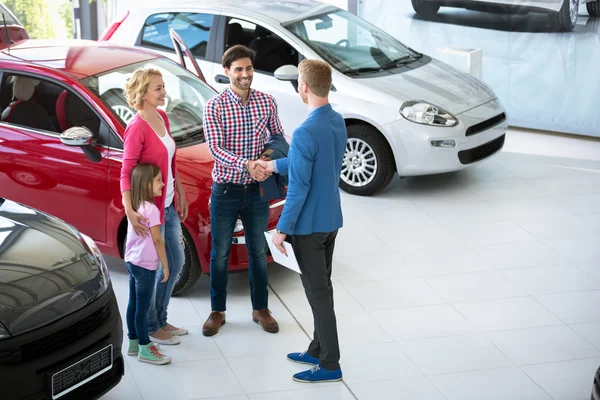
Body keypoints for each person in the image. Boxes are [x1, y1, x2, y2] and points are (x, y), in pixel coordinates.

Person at [259, 59, 346, 383]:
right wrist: (273, 166)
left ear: (303, 87)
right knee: (323, 288)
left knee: (317, 295)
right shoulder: (335, 120)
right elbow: (314, 162)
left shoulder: (307, 130)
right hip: (331, 219)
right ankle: (316, 348)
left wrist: (281, 230)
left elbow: (299, 188)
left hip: (309, 227)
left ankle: (330, 363)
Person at [201, 45, 284, 337]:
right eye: (238, 69)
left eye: (248, 68)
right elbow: (215, 149)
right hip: (226, 190)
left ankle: (260, 309)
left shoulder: (267, 102)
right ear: (227, 72)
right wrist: (247, 164)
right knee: (220, 252)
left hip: (257, 190)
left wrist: (264, 162)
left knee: (258, 252)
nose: (245, 74)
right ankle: (217, 311)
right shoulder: (215, 106)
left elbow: (278, 137)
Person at [121, 67, 189, 345]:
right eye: (158, 88)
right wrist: (129, 210)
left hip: (170, 203)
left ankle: (160, 318)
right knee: (155, 269)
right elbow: (126, 171)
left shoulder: (161, 117)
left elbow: (170, 162)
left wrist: (181, 191)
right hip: (151, 212)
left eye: (163, 86)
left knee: (175, 261)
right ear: (143, 94)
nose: (164, 92)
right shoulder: (136, 128)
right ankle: (151, 325)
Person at [124, 163, 171, 365]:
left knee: (133, 303)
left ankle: (133, 343)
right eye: (158, 180)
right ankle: (145, 348)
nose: (163, 183)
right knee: (142, 308)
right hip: (145, 266)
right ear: (145, 185)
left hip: (132, 261)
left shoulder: (133, 206)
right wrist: (166, 266)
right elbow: (157, 240)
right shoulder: (151, 209)